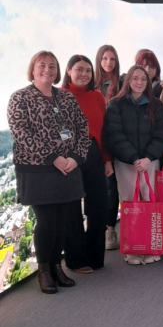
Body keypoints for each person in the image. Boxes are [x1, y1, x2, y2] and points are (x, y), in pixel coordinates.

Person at [7, 51, 90, 294]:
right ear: (32, 69)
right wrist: (53, 158)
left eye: (52, 66)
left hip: (68, 168)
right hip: (36, 170)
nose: (47, 69)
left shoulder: (66, 98)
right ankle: (44, 271)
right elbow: (21, 134)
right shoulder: (20, 98)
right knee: (46, 221)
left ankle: (56, 266)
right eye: (42, 65)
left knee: (62, 219)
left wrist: (75, 157)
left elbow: (82, 127)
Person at [104, 66, 163, 265]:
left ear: (148, 82)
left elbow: (161, 135)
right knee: (130, 204)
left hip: (150, 161)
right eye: (135, 78)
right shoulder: (116, 104)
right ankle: (132, 249)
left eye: (143, 79)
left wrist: (148, 158)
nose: (139, 82)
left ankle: (150, 247)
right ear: (128, 80)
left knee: (150, 201)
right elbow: (115, 135)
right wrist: (133, 158)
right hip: (126, 163)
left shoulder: (157, 106)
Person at [61, 55, 111, 274]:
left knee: (98, 206)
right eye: (79, 69)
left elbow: (103, 130)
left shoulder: (98, 96)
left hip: (93, 152)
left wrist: (106, 158)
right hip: (69, 154)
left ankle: (95, 256)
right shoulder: (59, 95)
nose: (84, 74)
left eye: (88, 70)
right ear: (69, 70)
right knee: (71, 208)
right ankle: (76, 260)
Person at [95, 44, 122, 251]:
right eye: (105, 58)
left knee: (113, 187)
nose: (108, 63)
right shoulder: (92, 84)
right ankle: (100, 229)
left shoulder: (121, 84)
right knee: (100, 189)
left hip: (116, 139)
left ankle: (111, 228)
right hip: (96, 141)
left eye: (112, 59)